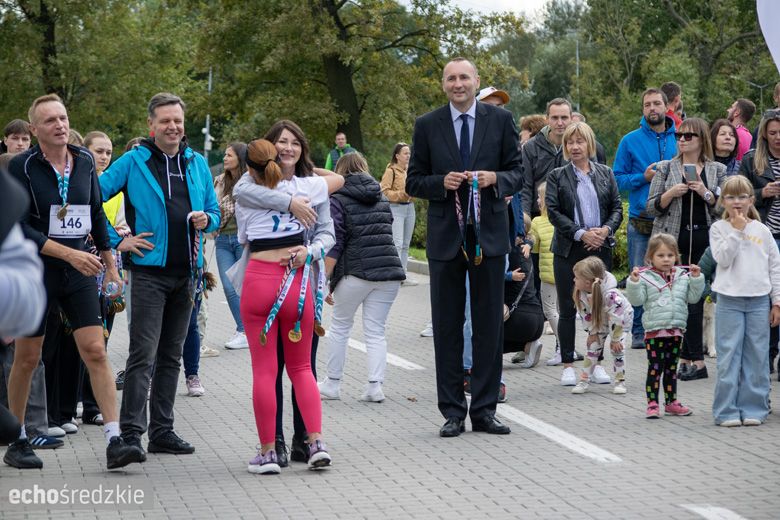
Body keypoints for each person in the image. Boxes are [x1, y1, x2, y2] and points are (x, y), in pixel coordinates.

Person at [6, 94, 142, 469]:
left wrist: (110, 263)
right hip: (36, 272)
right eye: (50, 121)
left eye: (63, 118)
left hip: (82, 271)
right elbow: (21, 226)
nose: (60, 125)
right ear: (34, 130)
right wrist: (69, 254)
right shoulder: (22, 166)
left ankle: (115, 441)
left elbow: (96, 213)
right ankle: (17, 439)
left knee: (95, 351)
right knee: (28, 356)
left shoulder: (83, 162)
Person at [99, 92, 220, 459]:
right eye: (165, 121)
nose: (173, 127)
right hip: (149, 275)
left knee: (171, 357)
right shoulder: (134, 161)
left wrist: (207, 220)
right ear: (151, 125)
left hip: (187, 275)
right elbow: (92, 197)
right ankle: (132, 435)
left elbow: (214, 211)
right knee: (143, 356)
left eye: (178, 121)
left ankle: (163, 432)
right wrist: (115, 241)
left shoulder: (196, 162)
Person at [406, 57, 522, 437]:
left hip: (488, 236)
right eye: (451, 78)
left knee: (489, 325)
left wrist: (494, 178)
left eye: (464, 78)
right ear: (443, 85)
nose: (459, 84)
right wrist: (443, 182)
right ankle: (453, 411)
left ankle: (485, 410)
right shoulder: (427, 125)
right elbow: (413, 182)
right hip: (445, 239)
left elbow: (518, 173)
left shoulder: (501, 121)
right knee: (448, 327)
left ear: (476, 82)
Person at [232, 120, 339, 467]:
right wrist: (295, 211)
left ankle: (268, 453)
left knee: (265, 372)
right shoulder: (314, 187)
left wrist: (311, 251)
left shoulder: (249, 183)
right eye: (281, 142)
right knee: (302, 368)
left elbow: (242, 221)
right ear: (271, 148)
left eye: (295, 142)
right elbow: (328, 231)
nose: (288, 148)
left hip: (262, 277)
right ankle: (316, 443)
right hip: (298, 280)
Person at [319, 152, 404, 402]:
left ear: (339, 173)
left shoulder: (337, 198)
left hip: (355, 273)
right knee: (376, 331)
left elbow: (336, 242)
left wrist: (324, 280)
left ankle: (332, 384)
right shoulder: (381, 197)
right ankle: (375, 387)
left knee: (340, 327)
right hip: (389, 272)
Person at [646, 117, 726, 381]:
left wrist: (704, 191)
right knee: (679, 302)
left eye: (688, 136)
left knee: (695, 300)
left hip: (705, 243)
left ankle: (695, 361)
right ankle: (688, 359)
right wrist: (671, 193)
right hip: (673, 243)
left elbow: (722, 208)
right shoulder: (666, 168)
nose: (681, 140)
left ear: (701, 139)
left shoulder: (717, 170)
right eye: (678, 136)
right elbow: (651, 207)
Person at [545, 122, 622, 387]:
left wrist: (606, 229)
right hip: (570, 247)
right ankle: (568, 362)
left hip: (599, 248)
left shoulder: (605, 173)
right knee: (567, 308)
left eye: (579, 141)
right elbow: (553, 211)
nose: (574, 147)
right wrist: (580, 233)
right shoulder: (557, 175)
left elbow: (616, 208)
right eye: (569, 142)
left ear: (589, 144)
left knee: (600, 308)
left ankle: (597, 363)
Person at [709, 175, 780, 426]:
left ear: (751, 200)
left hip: (759, 301)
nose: (736, 202)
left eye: (742, 197)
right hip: (729, 301)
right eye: (730, 197)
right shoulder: (719, 229)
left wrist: (776, 302)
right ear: (722, 201)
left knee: (757, 356)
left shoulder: (762, 230)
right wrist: (737, 232)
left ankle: (754, 408)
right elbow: (723, 259)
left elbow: (775, 267)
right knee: (729, 356)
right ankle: (726, 409)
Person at [613, 87, 677, 349]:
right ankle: (638, 331)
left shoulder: (681, 138)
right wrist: (644, 177)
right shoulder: (630, 140)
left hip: (673, 218)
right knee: (638, 274)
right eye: (648, 104)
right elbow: (617, 180)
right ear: (643, 110)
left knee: (671, 277)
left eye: (657, 103)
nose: (653, 108)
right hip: (641, 220)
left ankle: (670, 328)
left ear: (666, 107)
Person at [626, 233, 704, 418]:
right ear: (650, 257)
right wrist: (634, 282)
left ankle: (671, 402)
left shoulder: (682, 276)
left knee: (671, 369)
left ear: (676, 256)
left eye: (670, 255)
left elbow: (693, 298)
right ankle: (652, 403)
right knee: (655, 368)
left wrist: (696, 279)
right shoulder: (645, 277)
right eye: (660, 255)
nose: (666, 259)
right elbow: (637, 301)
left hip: (676, 330)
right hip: (654, 332)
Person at [740, 109, 780, 377]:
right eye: (773, 132)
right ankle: (766, 359)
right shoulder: (752, 160)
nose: (778, 137)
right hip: (765, 237)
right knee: (769, 302)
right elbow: (736, 196)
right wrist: (761, 192)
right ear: (764, 133)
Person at [570, 256, 632, 395]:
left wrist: (615, 339)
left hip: (620, 322)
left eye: (576, 278)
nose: (574, 280)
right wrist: (592, 333)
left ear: (587, 282)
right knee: (592, 348)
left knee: (617, 350)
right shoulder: (581, 293)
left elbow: (617, 317)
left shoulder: (611, 296)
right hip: (600, 321)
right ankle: (584, 380)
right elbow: (585, 315)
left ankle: (619, 381)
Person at [214, 142, 249, 350]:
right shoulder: (219, 181)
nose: (225, 158)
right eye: (225, 155)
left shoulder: (252, 182)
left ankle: (252, 329)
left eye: (229, 155)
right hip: (222, 240)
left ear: (240, 158)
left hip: (243, 241)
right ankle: (243, 330)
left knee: (247, 287)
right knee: (229, 286)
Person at [521, 98, 572, 217]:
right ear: (547, 119)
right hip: (537, 215)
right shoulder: (531, 147)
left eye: (564, 118)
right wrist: (525, 220)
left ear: (571, 118)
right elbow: (525, 187)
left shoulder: (581, 146)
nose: (560, 123)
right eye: (555, 118)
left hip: (571, 217)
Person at [529, 182, 562, 366]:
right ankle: (564, 345)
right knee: (563, 311)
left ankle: (565, 344)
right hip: (564, 272)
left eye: (539, 197)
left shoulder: (537, 222)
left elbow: (534, 250)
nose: (537, 201)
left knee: (550, 310)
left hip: (547, 275)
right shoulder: (563, 220)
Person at [380, 142, 415, 278]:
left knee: (406, 244)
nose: (408, 156)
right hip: (396, 208)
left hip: (410, 209)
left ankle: (403, 274)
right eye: (405, 153)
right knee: (398, 243)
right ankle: (394, 274)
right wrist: (402, 194)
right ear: (397, 156)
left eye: (409, 153)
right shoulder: (391, 171)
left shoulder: (410, 171)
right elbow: (384, 192)